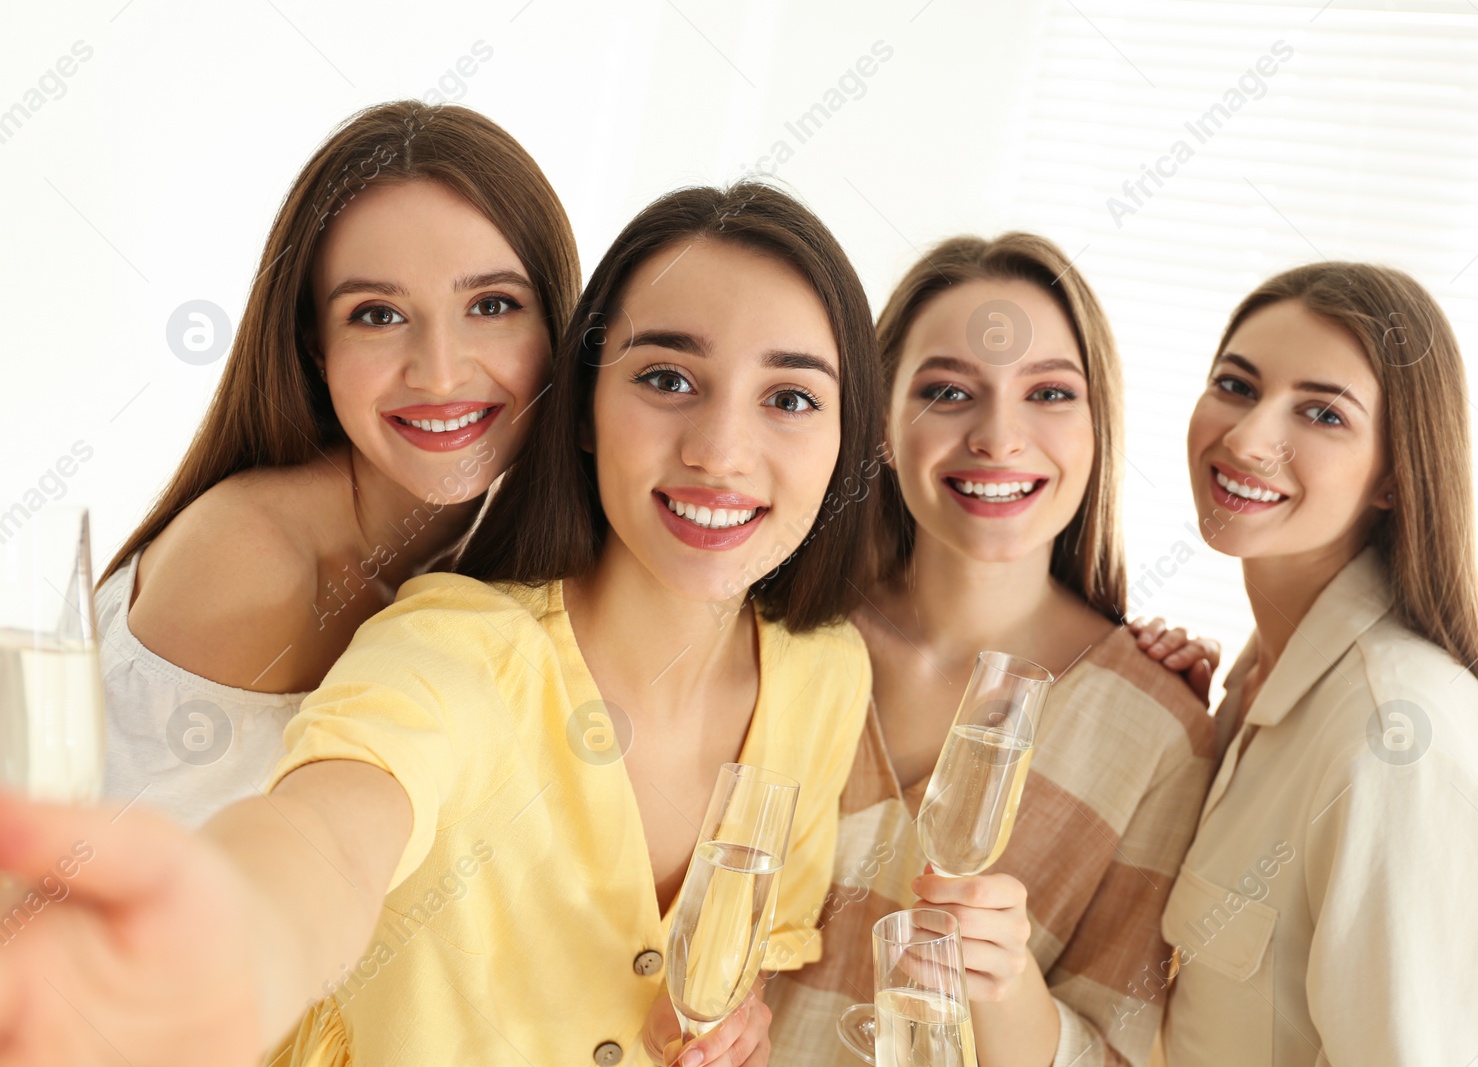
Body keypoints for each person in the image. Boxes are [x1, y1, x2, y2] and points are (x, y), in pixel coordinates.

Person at [0, 182, 882, 1067]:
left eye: (792, 398)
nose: (719, 450)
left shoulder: (826, 676)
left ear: (850, 435)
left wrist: (733, 1025)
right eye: (665, 378)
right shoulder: (453, 647)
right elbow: (328, 838)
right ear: (578, 406)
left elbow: (738, 961)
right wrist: (236, 940)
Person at [766, 233, 1218, 1066]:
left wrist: (1010, 990)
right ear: (880, 419)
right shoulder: (773, 632)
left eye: (1048, 392)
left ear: (1097, 424)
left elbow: (1117, 1052)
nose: (999, 437)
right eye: (946, 390)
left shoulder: (1159, 729)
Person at [93, 100, 581, 826]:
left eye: (492, 304)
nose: (441, 375)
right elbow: (76, 884)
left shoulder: (488, 553)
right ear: (316, 345)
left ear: (559, 322)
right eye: (378, 314)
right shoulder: (251, 559)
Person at [1156, 262, 1478, 1065]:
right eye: (1236, 385)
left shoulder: (1394, 741)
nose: (1246, 437)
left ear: (1394, 472)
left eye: (1322, 412)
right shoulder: (1254, 686)